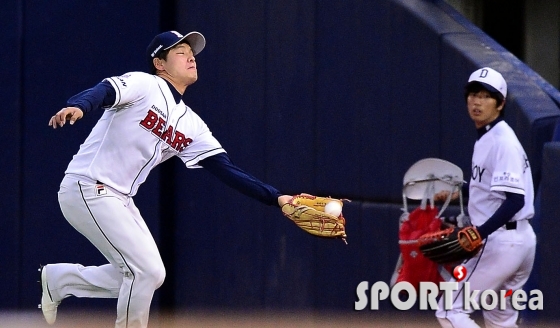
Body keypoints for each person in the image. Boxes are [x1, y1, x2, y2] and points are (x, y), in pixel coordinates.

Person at [41, 30, 294, 328]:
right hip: (87, 186)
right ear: (160, 63)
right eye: (180, 51)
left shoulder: (192, 124)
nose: (190, 57)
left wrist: (276, 197)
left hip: (118, 198)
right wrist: (79, 105)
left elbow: (226, 169)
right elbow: (105, 90)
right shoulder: (145, 83)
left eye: (192, 52)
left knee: (152, 275)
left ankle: (59, 280)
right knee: (143, 273)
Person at [435, 67, 537, 328]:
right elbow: (490, 186)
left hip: (503, 243)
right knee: (500, 318)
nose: (476, 102)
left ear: (500, 103)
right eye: (473, 94)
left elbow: (515, 200)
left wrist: (479, 232)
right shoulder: (489, 137)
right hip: (519, 241)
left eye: (485, 96)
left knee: (449, 309)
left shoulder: (502, 141)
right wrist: (459, 194)